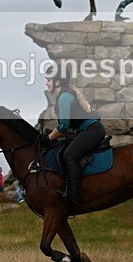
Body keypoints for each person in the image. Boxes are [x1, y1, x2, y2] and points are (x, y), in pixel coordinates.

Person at [39, 65, 105, 208]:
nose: (46, 83)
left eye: (48, 80)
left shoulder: (65, 96)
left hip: (91, 130)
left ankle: (74, 197)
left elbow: (63, 125)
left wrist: (48, 138)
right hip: (87, 130)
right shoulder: (64, 95)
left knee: (69, 154)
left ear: (57, 82)